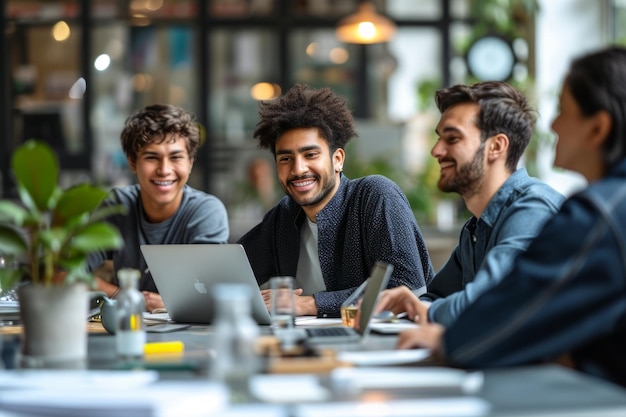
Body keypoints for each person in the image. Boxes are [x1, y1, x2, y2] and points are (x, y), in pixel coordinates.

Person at [397, 46, 626, 388]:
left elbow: (509, 313)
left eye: (564, 110)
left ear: (598, 128)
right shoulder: (477, 227)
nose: (552, 124)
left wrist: (448, 342)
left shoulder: (599, 213)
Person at [375, 81, 564, 326]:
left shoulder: (533, 209)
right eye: (439, 138)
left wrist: (420, 308)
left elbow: (487, 303)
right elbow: (437, 297)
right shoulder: (475, 228)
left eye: (452, 139)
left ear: (496, 146)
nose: (436, 150)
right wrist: (412, 305)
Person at [237, 83, 434, 318]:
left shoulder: (376, 196)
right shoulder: (284, 217)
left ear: (338, 159)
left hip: (386, 345)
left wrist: (308, 304)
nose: (298, 169)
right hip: (309, 345)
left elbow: (405, 287)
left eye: (310, 155)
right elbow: (233, 271)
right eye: (286, 158)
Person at [88, 104, 229, 311]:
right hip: (128, 327)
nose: (164, 170)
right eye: (152, 157)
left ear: (190, 163)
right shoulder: (118, 205)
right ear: (133, 162)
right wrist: (127, 297)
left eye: (176, 157)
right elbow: (65, 274)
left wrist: (171, 304)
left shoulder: (206, 212)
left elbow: (210, 294)